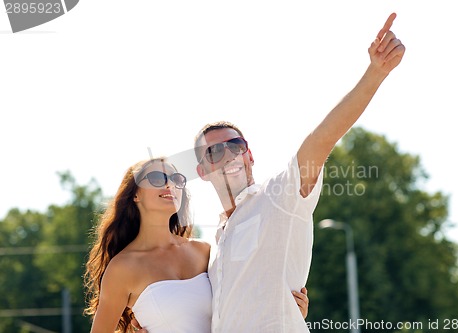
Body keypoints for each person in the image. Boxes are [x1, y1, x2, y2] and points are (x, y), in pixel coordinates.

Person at [192, 12, 405, 333]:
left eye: (236, 145)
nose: (229, 154)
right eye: (215, 151)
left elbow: (322, 139)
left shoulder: (278, 197)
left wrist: (375, 73)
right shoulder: (215, 244)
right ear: (203, 171)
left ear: (249, 154)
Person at [84, 157, 309, 333]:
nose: (170, 185)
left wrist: (288, 308)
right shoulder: (122, 268)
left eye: (176, 179)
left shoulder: (205, 251)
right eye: (156, 178)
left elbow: (246, 294)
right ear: (135, 195)